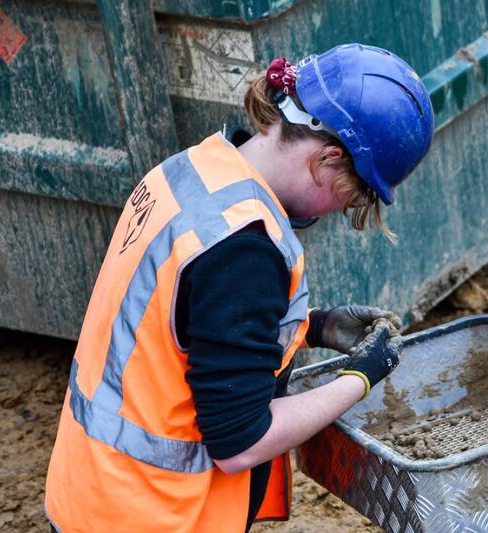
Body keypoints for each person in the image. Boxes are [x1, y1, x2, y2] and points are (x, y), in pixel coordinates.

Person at [45, 43, 434, 532]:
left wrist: (315, 329)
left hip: (95, 488)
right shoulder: (244, 248)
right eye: (351, 196)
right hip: (154, 513)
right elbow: (240, 442)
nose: (338, 211)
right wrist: (358, 379)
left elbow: (185, 326)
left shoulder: (194, 171)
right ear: (328, 159)